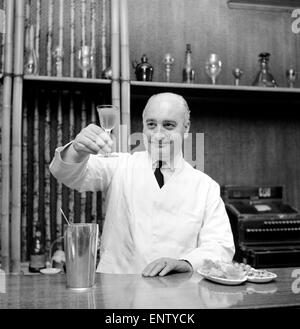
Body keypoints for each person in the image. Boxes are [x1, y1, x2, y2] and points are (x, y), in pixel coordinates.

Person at [49, 92, 235, 276]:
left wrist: (186, 263)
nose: (158, 134)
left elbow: (220, 246)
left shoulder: (205, 187)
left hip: (178, 294)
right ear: (143, 127)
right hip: (119, 291)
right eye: (151, 125)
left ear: (186, 129)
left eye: (169, 125)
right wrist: (76, 149)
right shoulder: (119, 165)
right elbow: (66, 173)